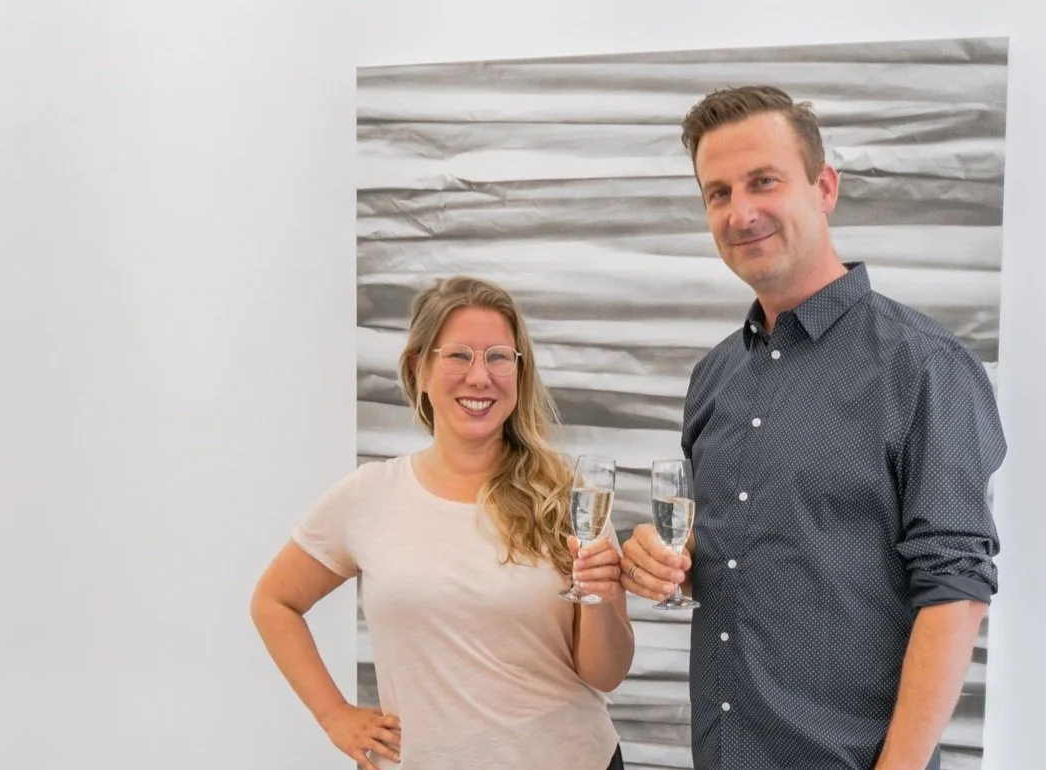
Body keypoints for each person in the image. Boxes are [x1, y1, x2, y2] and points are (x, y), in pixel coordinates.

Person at [619, 86, 1006, 770]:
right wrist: (667, 560)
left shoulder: (925, 366)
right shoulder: (713, 376)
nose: (740, 212)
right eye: (717, 193)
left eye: (763, 181)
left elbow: (956, 591)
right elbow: (743, 558)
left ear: (824, 187)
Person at [251, 275, 634, 770]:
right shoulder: (369, 494)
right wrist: (334, 715)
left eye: (499, 357)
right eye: (458, 355)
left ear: (519, 373)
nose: (480, 377)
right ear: (420, 369)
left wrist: (601, 595)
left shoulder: (567, 498)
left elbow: (606, 674)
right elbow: (274, 602)